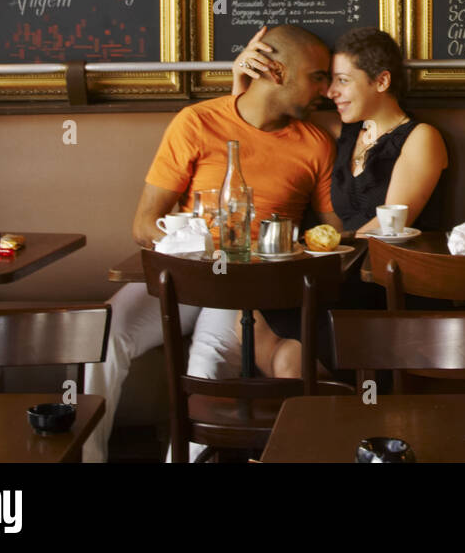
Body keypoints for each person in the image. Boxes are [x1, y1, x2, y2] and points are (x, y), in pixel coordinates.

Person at [84, 24, 338, 462]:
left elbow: (333, 235)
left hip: (246, 288)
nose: (327, 88)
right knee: (99, 335)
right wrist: (199, 250)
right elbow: (144, 225)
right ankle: (84, 457)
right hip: (181, 275)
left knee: (204, 367)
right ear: (276, 71)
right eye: (318, 76)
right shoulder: (197, 122)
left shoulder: (316, 143)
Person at [232, 25, 448, 378]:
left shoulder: (421, 137)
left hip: (389, 286)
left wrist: (318, 258)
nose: (330, 91)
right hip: (342, 281)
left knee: (280, 340)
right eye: (330, 80)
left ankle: (350, 407)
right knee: (254, 318)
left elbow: (387, 226)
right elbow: (268, 112)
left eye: (343, 81)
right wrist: (241, 82)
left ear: (381, 82)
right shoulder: (343, 131)